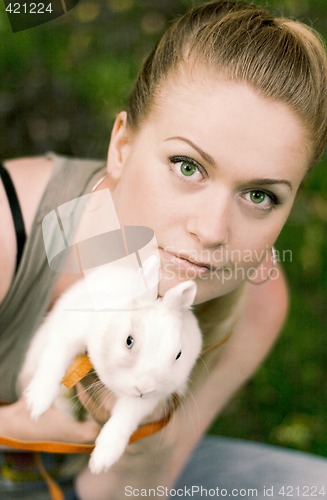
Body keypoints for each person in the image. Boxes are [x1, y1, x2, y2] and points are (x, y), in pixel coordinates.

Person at [0, 1, 327, 498]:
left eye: (259, 195)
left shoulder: (256, 301)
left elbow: (136, 491)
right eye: (188, 166)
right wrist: (20, 424)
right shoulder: (10, 231)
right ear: (122, 147)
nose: (213, 230)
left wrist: (145, 441)